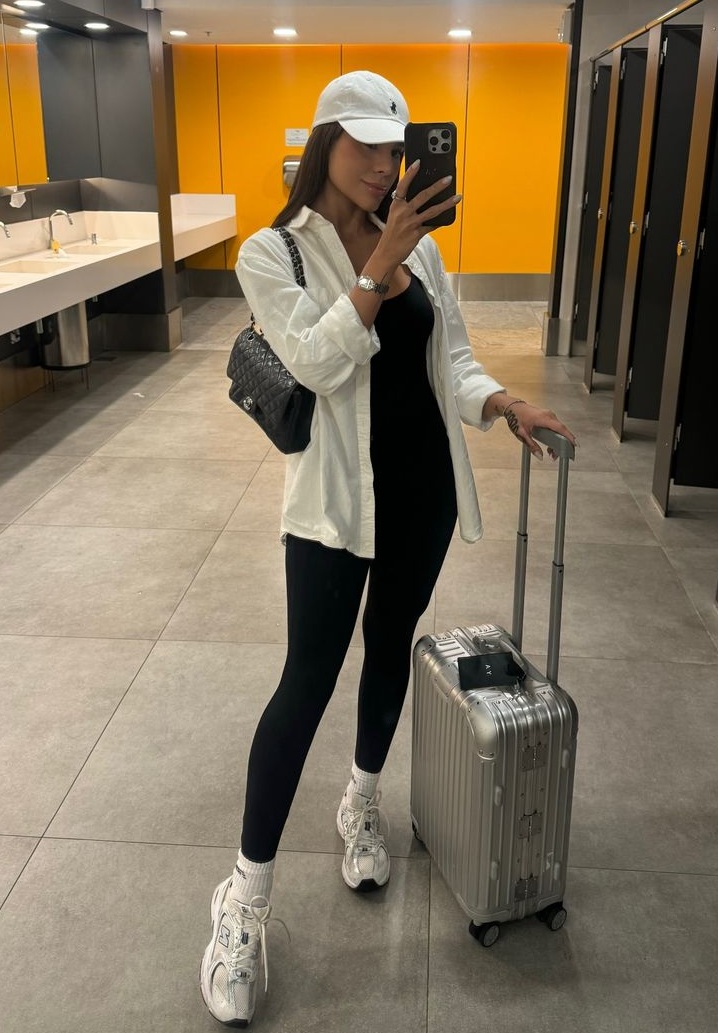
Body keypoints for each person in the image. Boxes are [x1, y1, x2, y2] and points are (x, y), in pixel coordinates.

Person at [200, 69, 576, 1027]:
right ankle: (244, 897)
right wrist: (378, 265)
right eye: (362, 144)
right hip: (334, 508)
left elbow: (450, 357)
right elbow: (316, 363)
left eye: (393, 146)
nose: (381, 164)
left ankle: (362, 799)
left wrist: (501, 401)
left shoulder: (426, 249)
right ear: (325, 141)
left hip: (422, 496)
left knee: (389, 649)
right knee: (305, 682)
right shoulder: (274, 251)